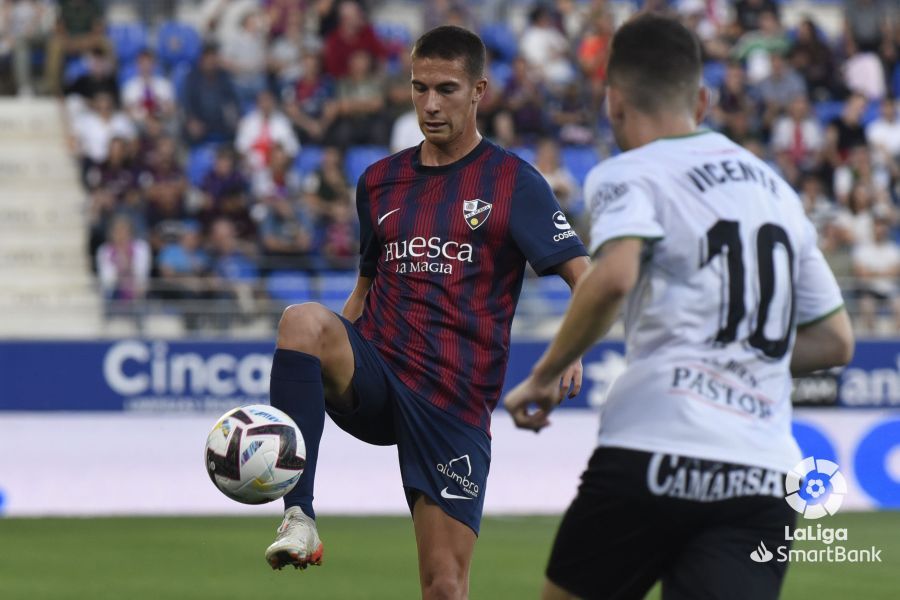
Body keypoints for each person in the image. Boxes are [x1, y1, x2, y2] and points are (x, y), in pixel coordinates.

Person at [504, 15, 854, 600]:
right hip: (761, 472)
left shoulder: (628, 172)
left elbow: (613, 277)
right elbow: (837, 340)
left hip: (654, 448)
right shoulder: (776, 191)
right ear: (704, 98)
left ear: (612, 100)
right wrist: (739, 358)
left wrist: (542, 375)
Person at [261, 25, 589, 599]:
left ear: (479, 90)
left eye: (446, 89)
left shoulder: (514, 182)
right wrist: (339, 345)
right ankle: (299, 516)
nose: (430, 104)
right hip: (381, 375)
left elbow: (584, 277)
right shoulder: (379, 182)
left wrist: (571, 352)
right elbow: (365, 282)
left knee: (443, 586)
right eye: (419, 89)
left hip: (452, 402)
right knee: (300, 321)